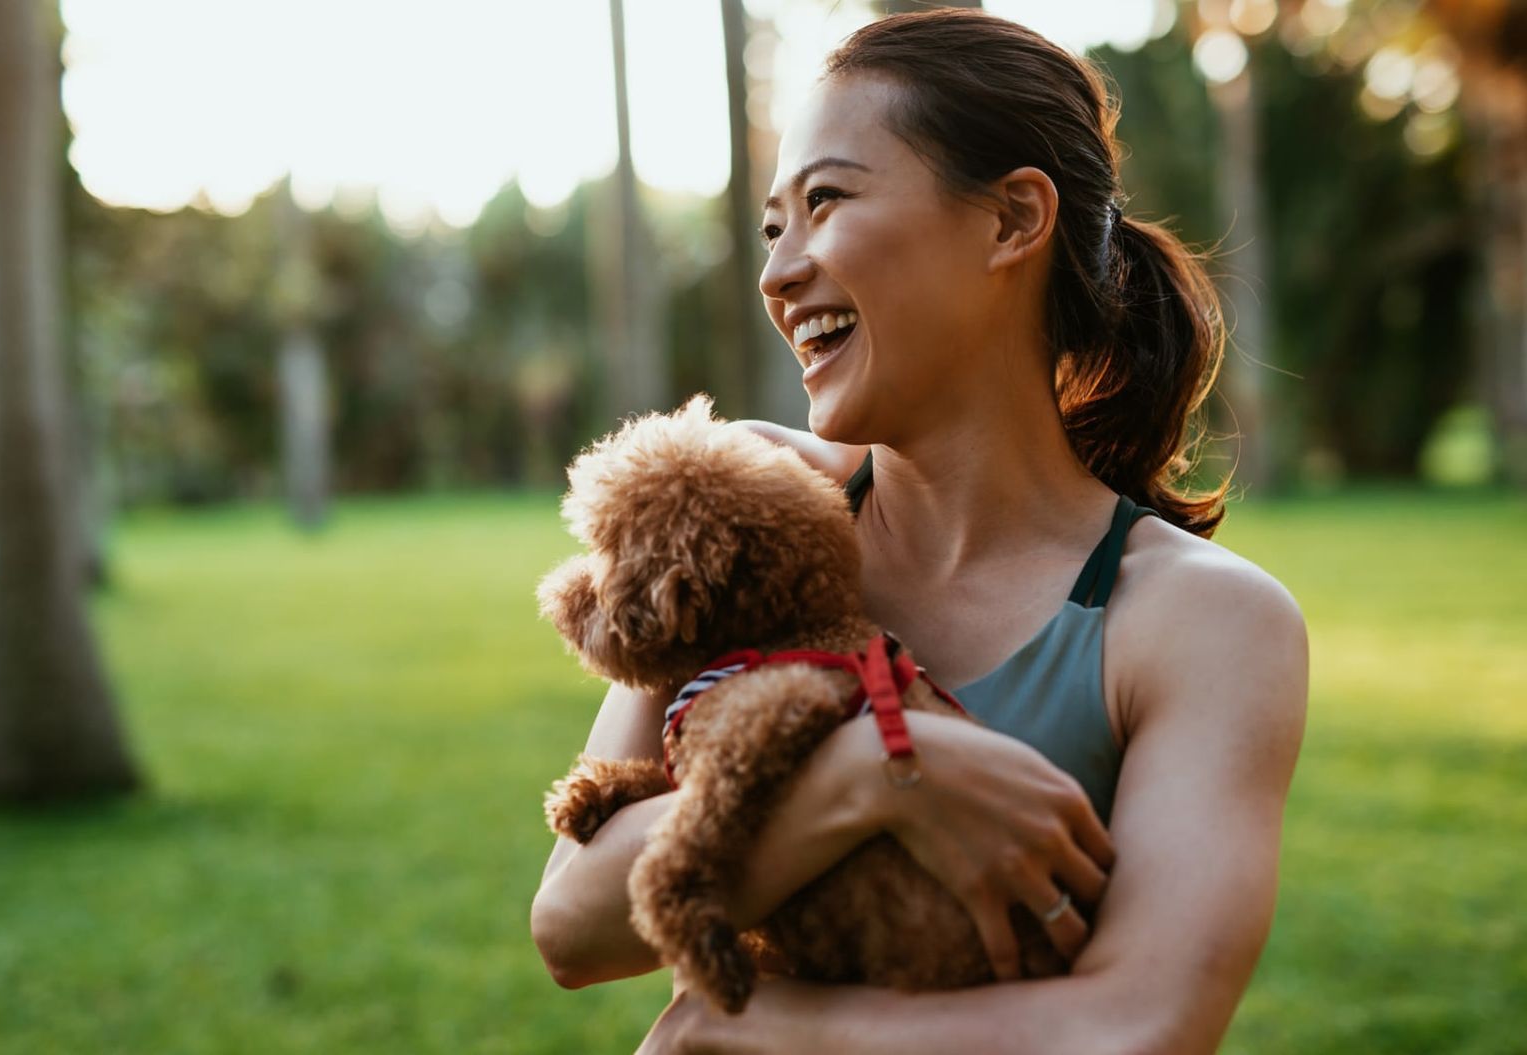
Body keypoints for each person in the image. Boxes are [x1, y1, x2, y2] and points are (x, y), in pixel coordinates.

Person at [529, 9, 1308, 1052]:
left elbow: (1140, 1025)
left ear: (1011, 220)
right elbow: (573, 922)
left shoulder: (1203, 621)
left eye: (827, 201)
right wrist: (879, 777)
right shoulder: (742, 514)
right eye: (774, 227)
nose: (778, 272)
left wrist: (744, 1023)